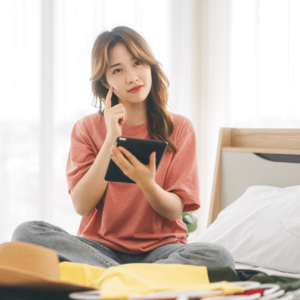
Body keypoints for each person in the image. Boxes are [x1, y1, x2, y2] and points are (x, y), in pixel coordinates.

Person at [12, 26, 234, 270]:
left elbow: (173, 212)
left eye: (138, 63)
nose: (132, 77)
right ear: (105, 81)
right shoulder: (86, 128)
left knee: (219, 258)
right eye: (118, 70)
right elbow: (82, 206)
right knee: (26, 233)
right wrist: (110, 140)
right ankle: (130, 276)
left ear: (150, 66)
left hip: (161, 250)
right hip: (98, 248)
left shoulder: (179, 127)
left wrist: (147, 183)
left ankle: (113, 276)